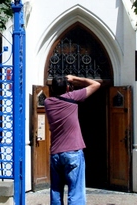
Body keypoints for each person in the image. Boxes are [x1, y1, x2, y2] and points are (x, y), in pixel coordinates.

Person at [44, 74, 101, 205]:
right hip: (73, 151)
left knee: (56, 191)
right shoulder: (72, 97)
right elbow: (96, 84)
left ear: (52, 89)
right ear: (67, 88)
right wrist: (75, 78)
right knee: (76, 192)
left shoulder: (48, 102)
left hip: (56, 152)